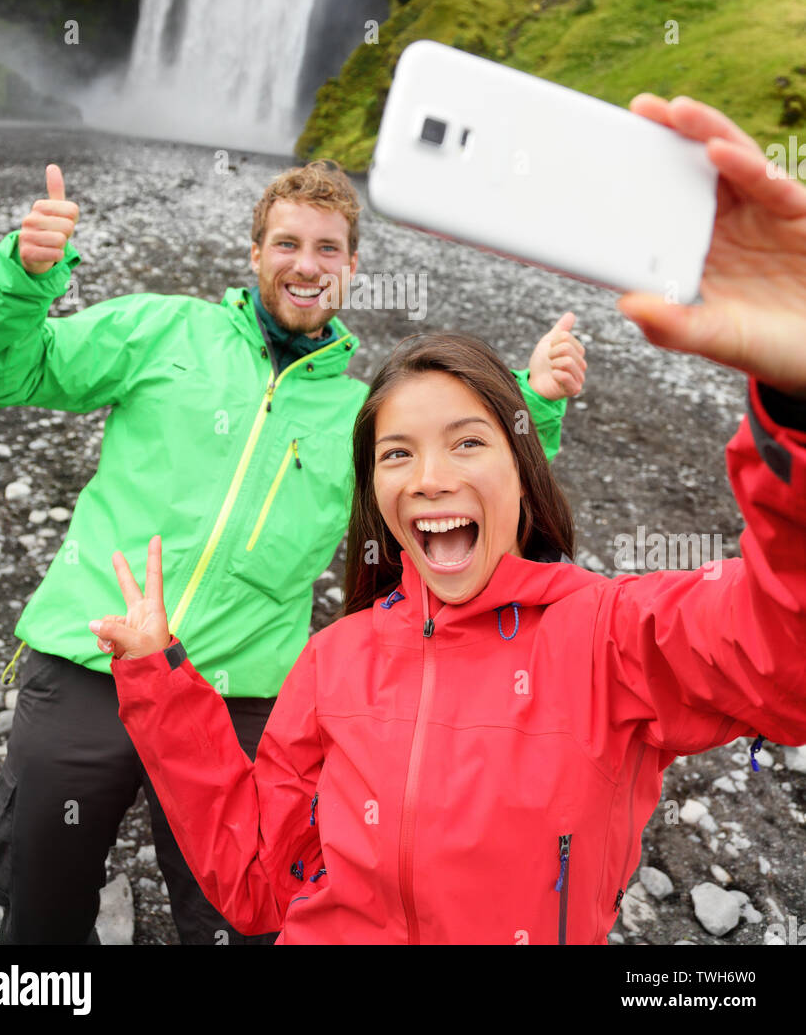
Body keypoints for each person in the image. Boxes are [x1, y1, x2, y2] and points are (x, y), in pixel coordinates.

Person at [90, 92, 806, 945]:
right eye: (397, 455)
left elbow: (782, 655)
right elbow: (255, 884)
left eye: (467, 443)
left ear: (521, 470)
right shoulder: (333, 662)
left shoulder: (612, 638)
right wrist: (163, 684)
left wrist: (794, 397)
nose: (428, 478)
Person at [0, 158, 585, 946]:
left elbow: (462, 489)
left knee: (242, 918)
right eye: (287, 243)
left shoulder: (364, 413)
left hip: (243, 694)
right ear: (256, 254)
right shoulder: (161, 329)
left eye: (327, 249)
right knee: (40, 912)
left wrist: (540, 406)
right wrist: (27, 275)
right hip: (91, 658)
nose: (306, 264)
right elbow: (1, 369)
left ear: (350, 268)